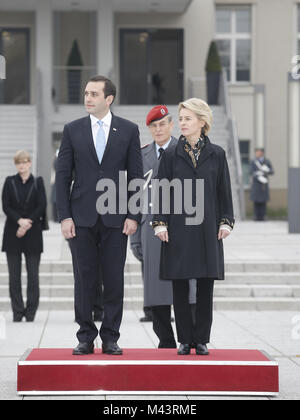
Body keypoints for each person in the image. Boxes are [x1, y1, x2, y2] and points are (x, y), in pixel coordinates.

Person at [56, 75, 143, 356]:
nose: (87, 98)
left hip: (117, 219)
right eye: (85, 93)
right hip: (81, 218)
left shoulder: (129, 130)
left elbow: (136, 177)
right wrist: (64, 216)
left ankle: (110, 337)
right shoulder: (72, 130)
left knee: (114, 278)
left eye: (94, 94)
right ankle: (85, 336)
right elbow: (62, 176)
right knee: (84, 278)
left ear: (109, 99)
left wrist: (133, 214)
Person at [153, 98, 235, 356]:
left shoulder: (218, 154)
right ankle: (184, 339)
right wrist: (160, 222)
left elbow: (224, 193)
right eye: (181, 118)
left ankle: (201, 339)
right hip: (178, 228)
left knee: (205, 284)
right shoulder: (170, 155)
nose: (182, 123)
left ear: (202, 121)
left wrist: (226, 221)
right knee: (179, 283)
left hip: (207, 228)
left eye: (188, 118)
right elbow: (161, 192)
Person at [131, 105, 177, 348]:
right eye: (153, 126)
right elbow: (135, 197)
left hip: (182, 230)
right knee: (155, 287)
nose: (158, 129)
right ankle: (165, 340)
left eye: (162, 124)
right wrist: (135, 237)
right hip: (150, 229)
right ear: (149, 129)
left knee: (185, 287)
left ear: (171, 125)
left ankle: (188, 338)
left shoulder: (185, 151)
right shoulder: (141, 156)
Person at [1, 150, 47, 322]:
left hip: (33, 233)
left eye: (24, 162)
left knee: (33, 275)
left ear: (29, 163)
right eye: (18, 162)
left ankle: (30, 313)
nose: (21, 165)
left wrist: (28, 223)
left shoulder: (38, 182)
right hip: (12, 232)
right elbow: (5, 205)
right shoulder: (9, 181)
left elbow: (41, 205)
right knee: (14, 276)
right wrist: (19, 221)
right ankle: (17, 312)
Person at [250, 148, 274, 221]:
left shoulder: (267, 161)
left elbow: (272, 171)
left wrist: (267, 170)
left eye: (258, 152)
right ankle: (256, 216)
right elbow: (251, 171)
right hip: (256, 184)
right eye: (256, 152)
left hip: (264, 184)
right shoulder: (253, 161)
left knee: (263, 201)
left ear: (262, 153)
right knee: (256, 201)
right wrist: (257, 174)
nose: (257, 154)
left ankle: (263, 216)